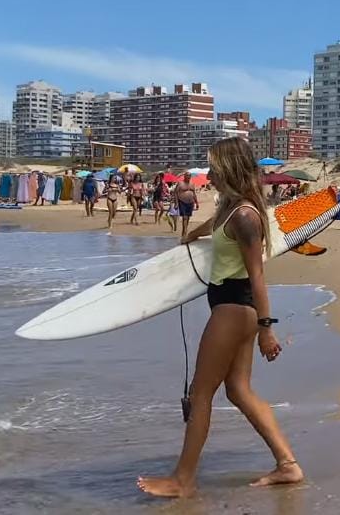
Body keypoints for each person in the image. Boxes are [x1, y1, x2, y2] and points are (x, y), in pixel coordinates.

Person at [137, 137, 302, 498]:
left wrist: (266, 330)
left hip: (234, 308)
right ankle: (288, 465)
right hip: (231, 307)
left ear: (228, 167)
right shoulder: (231, 206)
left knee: (201, 393)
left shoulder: (245, 216)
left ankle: (183, 480)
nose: (208, 172)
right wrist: (193, 235)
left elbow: (257, 276)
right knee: (238, 390)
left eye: (213, 165)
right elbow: (214, 225)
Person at [174, 173, 198, 241]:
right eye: (187, 175)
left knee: (188, 217)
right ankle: (185, 232)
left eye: (189, 176)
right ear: (184, 176)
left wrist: (197, 202)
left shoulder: (192, 184)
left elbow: (194, 193)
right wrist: (176, 203)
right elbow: (175, 193)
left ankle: (184, 230)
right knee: (185, 217)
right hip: (182, 201)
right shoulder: (180, 183)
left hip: (190, 202)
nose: (188, 177)